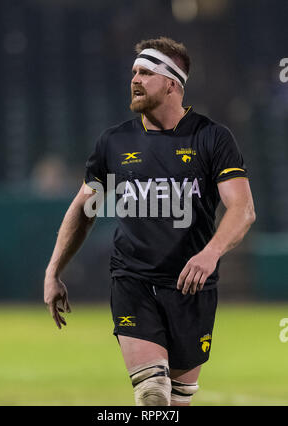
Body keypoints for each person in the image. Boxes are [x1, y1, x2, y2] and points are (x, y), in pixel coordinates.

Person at [44, 37, 256, 406]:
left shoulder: (212, 138)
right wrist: (54, 270)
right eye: (134, 72)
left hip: (193, 288)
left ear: (172, 83)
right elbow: (83, 208)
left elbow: (242, 209)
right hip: (133, 282)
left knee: (177, 402)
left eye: (146, 72)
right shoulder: (113, 141)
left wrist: (211, 253)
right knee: (152, 395)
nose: (135, 79)